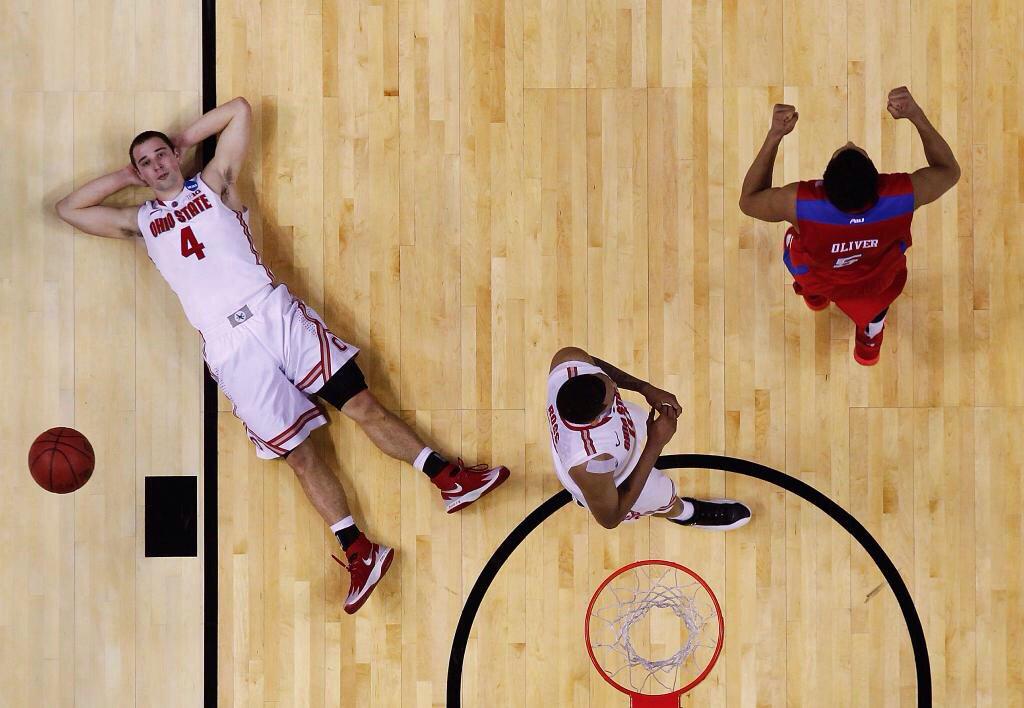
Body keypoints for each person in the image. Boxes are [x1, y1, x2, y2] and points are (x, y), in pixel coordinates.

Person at [55, 97, 510, 614]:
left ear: (176, 156)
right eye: (146, 162)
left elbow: (240, 111)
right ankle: (359, 551)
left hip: (272, 315)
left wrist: (182, 140)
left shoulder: (214, 181)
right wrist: (121, 175)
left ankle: (449, 478)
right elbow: (69, 210)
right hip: (227, 349)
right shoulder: (140, 221)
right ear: (137, 171)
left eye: (162, 155)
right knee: (297, 453)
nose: (157, 164)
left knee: (360, 404)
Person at [738, 87, 961, 365]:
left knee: (791, 242)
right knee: (877, 307)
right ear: (878, 179)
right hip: (876, 282)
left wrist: (774, 136)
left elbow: (749, 201)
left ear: (824, 185)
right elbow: (949, 171)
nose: (850, 141)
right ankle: (869, 342)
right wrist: (915, 115)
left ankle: (816, 296)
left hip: (819, 275)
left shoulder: (800, 202)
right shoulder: (901, 196)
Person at [546, 347, 751, 530]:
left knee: (638, 424)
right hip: (615, 480)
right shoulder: (592, 463)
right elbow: (611, 518)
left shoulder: (568, 361)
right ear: (594, 421)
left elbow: (595, 365)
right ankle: (687, 514)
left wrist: (644, 388)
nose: (613, 383)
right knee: (662, 496)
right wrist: (655, 444)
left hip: (622, 434)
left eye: (605, 380)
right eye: (612, 395)